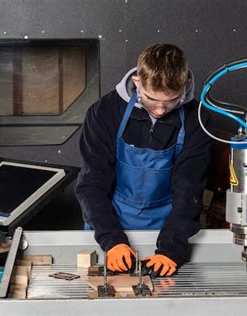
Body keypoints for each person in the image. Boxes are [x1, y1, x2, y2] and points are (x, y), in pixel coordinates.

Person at [76, 43, 212, 277]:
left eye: (171, 101)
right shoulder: (104, 112)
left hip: (169, 225)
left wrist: (171, 248)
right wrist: (111, 239)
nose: (160, 110)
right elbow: (91, 184)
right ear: (137, 82)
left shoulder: (197, 120)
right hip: (110, 221)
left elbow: (188, 188)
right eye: (151, 99)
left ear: (185, 86)